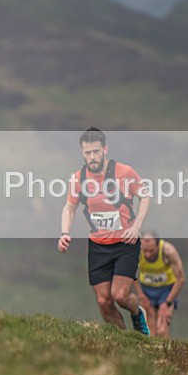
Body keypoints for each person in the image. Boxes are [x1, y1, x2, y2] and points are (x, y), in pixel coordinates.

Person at [58, 128, 151, 335]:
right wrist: (65, 233)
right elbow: (69, 207)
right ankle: (126, 341)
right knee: (103, 301)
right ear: (82, 153)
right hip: (98, 246)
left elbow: (145, 195)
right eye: (88, 152)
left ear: (105, 150)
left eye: (96, 152)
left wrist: (136, 227)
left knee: (119, 295)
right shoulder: (78, 178)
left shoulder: (124, 172)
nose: (92, 157)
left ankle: (137, 314)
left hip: (125, 243)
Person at [134, 229, 185, 338]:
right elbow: (130, 274)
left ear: (158, 246)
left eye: (151, 251)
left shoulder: (168, 251)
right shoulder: (136, 250)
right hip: (147, 289)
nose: (147, 254)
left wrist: (167, 303)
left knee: (163, 325)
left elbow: (180, 279)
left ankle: (166, 351)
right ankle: (151, 352)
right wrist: (141, 295)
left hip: (166, 289)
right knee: (150, 327)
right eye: (145, 250)